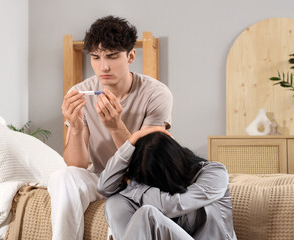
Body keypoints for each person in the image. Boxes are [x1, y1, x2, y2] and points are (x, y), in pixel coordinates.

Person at [47, 16, 173, 240]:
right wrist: (75, 128)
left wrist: (116, 127)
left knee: (127, 197)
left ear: (131, 56)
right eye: (95, 57)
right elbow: (75, 164)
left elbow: (149, 163)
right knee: (61, 176)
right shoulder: (80, 92)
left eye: (112, 57)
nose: (103, 66)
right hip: (99, 177)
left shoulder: (156, 94)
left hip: (138, 178)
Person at [97, 127, 237, 240]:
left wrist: (134, 186)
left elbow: (171, 204)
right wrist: (131, 141)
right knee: (115, 202)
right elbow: (104, 187)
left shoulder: (214, 173)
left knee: (147, 214)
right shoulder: (152, 192)